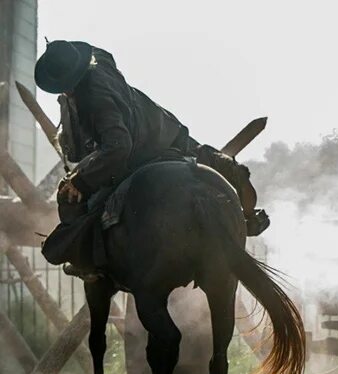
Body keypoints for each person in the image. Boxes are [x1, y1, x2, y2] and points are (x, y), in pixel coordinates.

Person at [33, 40, 270, 277]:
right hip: (167, 133)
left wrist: (81, 182)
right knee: (229, 171)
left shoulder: (93, 100)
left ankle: (85, 262)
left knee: (69, 193)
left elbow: (118, 147)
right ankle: (248, 219)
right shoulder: (101, 60)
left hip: (137, 154)